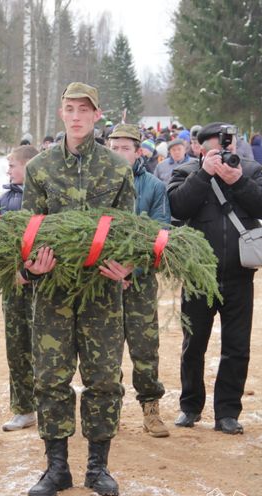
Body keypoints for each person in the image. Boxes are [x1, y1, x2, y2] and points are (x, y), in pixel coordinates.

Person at [22, 82, 134, 496]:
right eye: (69, 109)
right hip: (53, 292)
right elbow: (27, 232)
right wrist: (31, 267)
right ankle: (56, 468)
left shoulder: (117, 169)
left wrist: (128, 266)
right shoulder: (40, 168)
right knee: (51, 379)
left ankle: (98, 466)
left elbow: (130, 232)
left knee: (104, 379)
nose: (76, 116)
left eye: (83, 110)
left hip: (102, 291)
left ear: (96, 115)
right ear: (60, 113)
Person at [168, 122, 262, 434]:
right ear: (199, 148)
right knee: (194, 345)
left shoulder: (250, 169)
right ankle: (190, 407)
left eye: (226, 148)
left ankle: (228, 412)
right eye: (215, 149)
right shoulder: (185, 172)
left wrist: (239, 181)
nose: (223, 154)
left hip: (239, 275)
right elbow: (177, 205)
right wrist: (204, 174)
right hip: (197, 275)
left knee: (237, 347)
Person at [108, 123, 171, 438]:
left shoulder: (154, 187)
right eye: (114, 147)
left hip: (140, 282)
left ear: (138, 152)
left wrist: (132, 267)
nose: (120, 153)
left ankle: (151, 410)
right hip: (104, 281)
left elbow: (160, 232)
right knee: (106, 350)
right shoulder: (99, 184)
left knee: (145, 347)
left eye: (126, 148)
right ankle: (110, 413)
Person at [0, 144, 41, 432]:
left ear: (28, 167)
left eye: (13, 165)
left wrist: (31, 270)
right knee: (17, 346)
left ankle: (48, 406)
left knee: (44, 348)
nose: (9, 170)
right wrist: (9, 270)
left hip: (41, 285)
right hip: (13, 285)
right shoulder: (2, 201)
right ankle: (23, 408)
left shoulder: (44, 199)